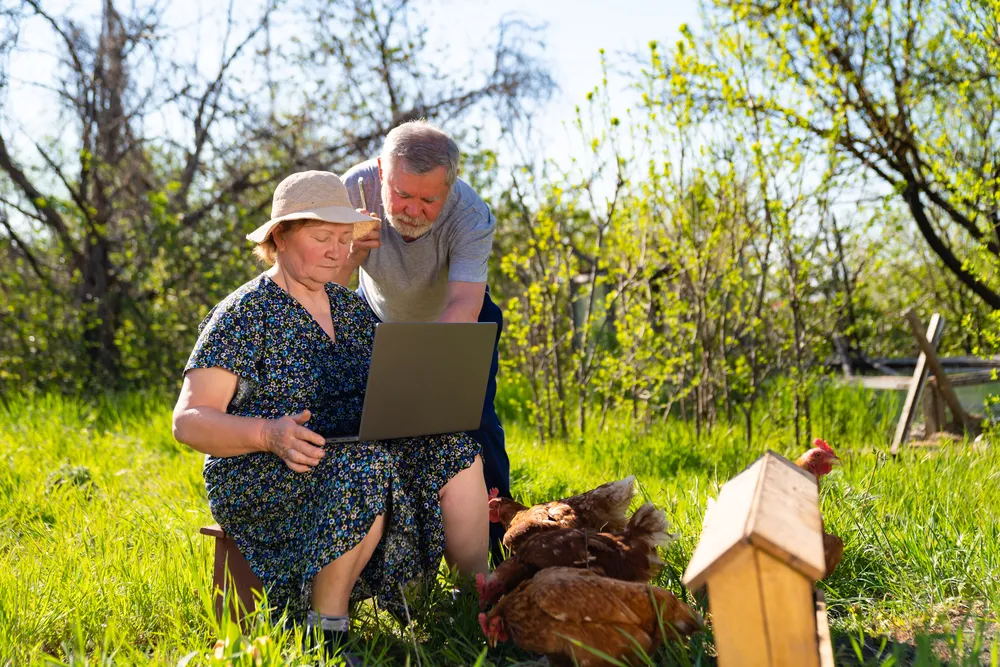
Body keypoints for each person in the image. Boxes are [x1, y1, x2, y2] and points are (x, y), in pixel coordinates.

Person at [171, 171, 488, 655]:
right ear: (280, 237)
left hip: (345, 451)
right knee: (366, 468)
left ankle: (476, 602)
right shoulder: (243, 313)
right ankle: (327, 631)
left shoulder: (350, 308)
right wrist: (267, 433)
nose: (338, 252)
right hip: (263, 468)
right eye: (322, 238)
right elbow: (188, 420)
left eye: (345, 239)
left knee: (456, 451)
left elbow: (377, 390)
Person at [338, 120, 509, 561]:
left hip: (452, 319)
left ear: (449, 188)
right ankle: (385, 548)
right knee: (362, 422)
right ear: (380, 171)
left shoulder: (472, 215)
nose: (412, 209)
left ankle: (495, 552)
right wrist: (352, 253)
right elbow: (325, 286)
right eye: (401, 194)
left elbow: (463, 308)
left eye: (429, 199)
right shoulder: (351, 190)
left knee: (474, 422)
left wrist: (417, 374)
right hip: (374, 313)